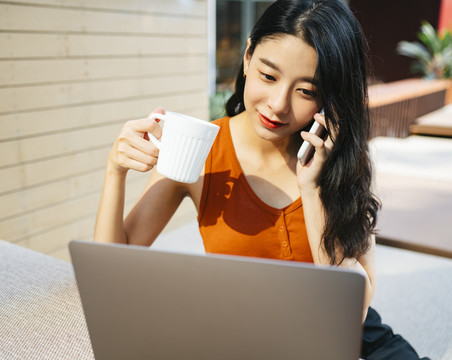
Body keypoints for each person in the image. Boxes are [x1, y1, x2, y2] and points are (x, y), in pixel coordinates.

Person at [94, 0, 428, 359]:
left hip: (342, 337)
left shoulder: (333, 159)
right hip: (252, 336)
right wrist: (115, 170)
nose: (277, 105)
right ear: (248, 56)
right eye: (268, 76)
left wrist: (312, 188)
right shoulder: (199, 149)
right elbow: (110, 273)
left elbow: (355, 308)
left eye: (307, 91)